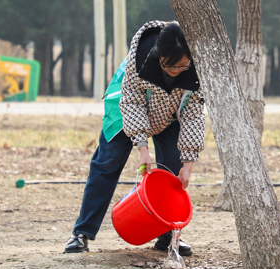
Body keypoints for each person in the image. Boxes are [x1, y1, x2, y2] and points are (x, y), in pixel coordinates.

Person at [64, 21, 206, 256]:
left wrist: (188, 164)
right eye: (169, 65)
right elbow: (133, 103)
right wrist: (143, 149)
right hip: (125, 109)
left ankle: (167, 236)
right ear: (159, 56)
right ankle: (82, 233)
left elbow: (193, 115)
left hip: (170, 113)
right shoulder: (140, 59)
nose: (175, 71)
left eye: (182, 66)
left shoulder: (196, 69)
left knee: (171, 171)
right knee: (105, 165)